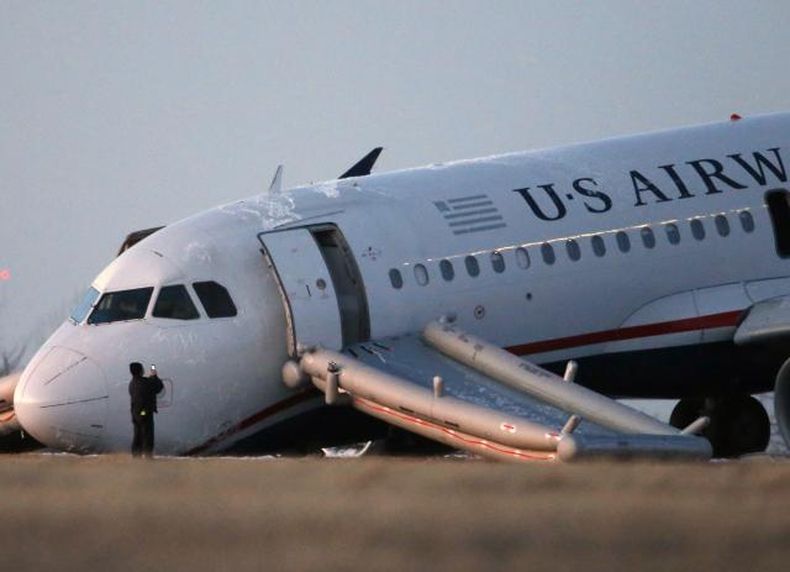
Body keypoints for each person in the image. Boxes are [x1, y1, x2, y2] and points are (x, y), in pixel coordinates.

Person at [128, 362, 164, 458]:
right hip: (144, 412)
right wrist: (154, 376)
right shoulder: (145, 382)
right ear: (141, 370)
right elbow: (158, 387)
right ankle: (148, 457)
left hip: (135, 413)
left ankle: (136, 456)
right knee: (147, 435)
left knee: (137, 435)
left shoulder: (132, 383)